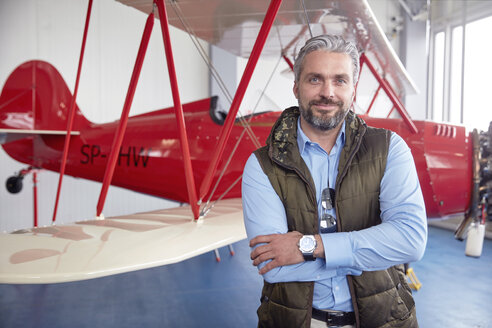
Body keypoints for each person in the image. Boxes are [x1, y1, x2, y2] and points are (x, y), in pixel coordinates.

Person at [242, 34, 427, 328]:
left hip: (385, 319)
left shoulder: (390, 148)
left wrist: (308, 246)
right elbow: (273, 267)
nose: (328, 92)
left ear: (353, 88)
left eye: (340, 80)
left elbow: (410, 242)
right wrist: (370, 252)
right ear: (296, 87)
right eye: (315, 79)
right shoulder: (262, 165)